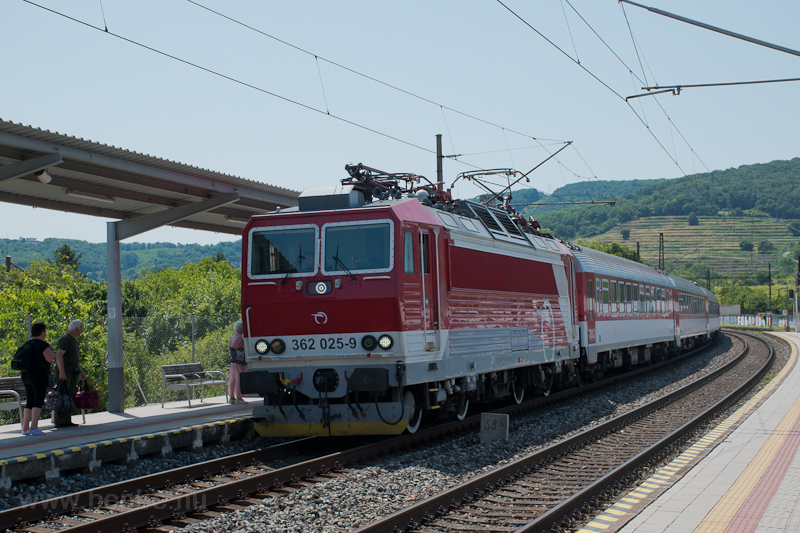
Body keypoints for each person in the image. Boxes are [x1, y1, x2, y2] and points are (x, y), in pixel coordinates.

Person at [20, 322, 55, 435]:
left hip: (26, 375)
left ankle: (25, 428)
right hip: (39, 376)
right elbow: (50, 359)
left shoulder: (27, 344)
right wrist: (51, 349)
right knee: (38, 400)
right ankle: (34, 427)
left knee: (29, 400)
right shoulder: (43, 345)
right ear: (42, 333)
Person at [54, 320, 86, 428]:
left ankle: (67, 419)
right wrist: (62, 372)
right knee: (63, 395)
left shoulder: (74, 341)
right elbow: (59, 355)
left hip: (72, 372)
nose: (81, 331)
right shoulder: (66, 339)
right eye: (80, 328)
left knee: (71, 395)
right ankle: (59, 421)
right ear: (76, 329)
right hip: (65, 371)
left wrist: (81, 371)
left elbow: (75, 358)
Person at [228, 321, 247, 405]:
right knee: (239, 378)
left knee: (232, 378)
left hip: (233, 360)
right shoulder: (239, 336)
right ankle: (239, 397)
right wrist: (242, 346)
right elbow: (233, 345)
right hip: (239, 360)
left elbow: (230, 347)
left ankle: (231, 397)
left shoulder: (233, 336)